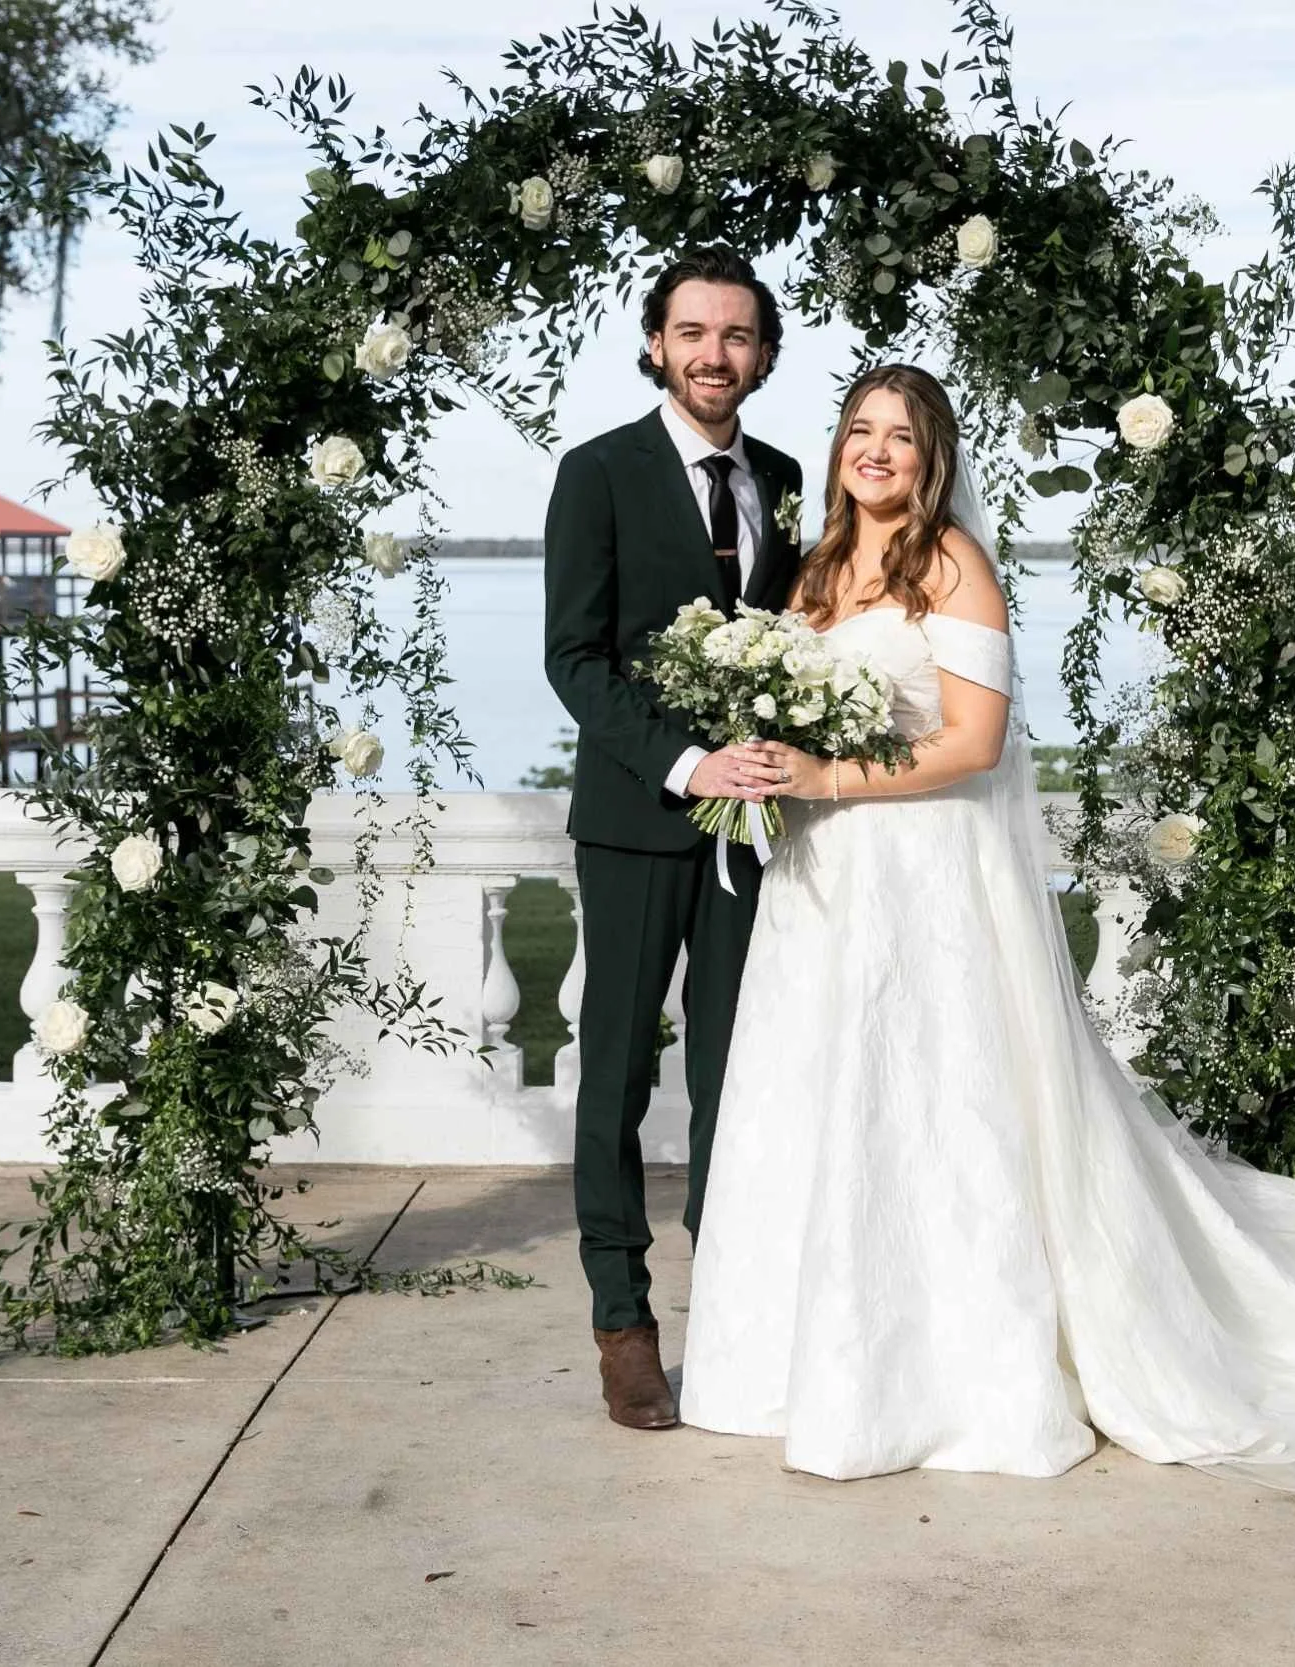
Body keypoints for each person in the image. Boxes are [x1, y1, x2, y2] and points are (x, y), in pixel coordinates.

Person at [676, 363, 1295, 1495]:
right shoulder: (815, 569)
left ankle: (942, 1374)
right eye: (859, 431)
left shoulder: (954, 567)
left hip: (918, 875)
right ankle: (792, 1364)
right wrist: (767, 760)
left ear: (934, 460)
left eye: (900, 438)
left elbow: (972, 744)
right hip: (821, 881)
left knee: (930, 1095)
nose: (875, 451)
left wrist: (823, 774)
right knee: (817, 1096)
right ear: (836, 448)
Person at [541, 246, 809, 1431]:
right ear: (655, 343)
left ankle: (737, 1307)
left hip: (759, 830)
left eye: (738, 335)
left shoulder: (791, 477)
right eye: (693, 332)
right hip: (637, 823)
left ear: (763, 353)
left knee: (736, 1075)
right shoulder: (595, 473)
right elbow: (574, 659)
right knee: (618, 1073)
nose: (715, 354)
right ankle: (622, 1322)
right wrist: (689, 760)